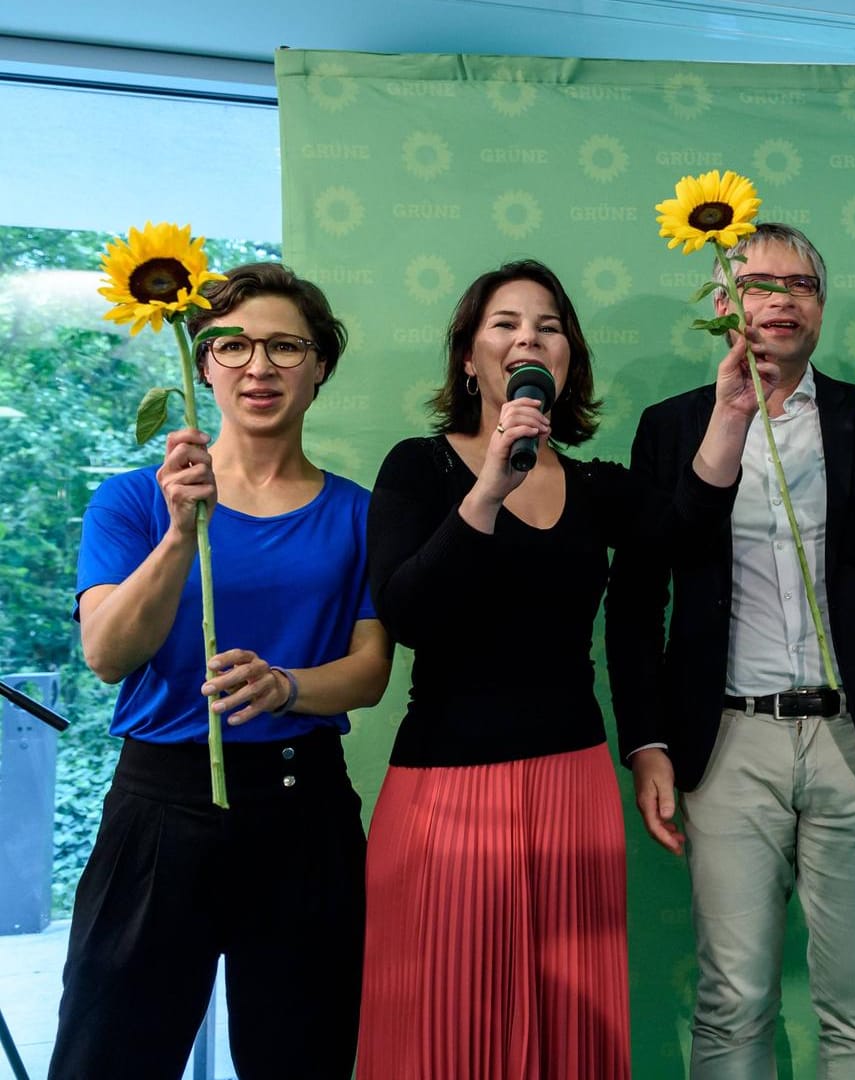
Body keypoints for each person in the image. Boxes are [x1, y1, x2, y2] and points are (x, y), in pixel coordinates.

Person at [609, 222, 855, 1079]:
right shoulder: (670, 427)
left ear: (822, 309)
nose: (781, 300)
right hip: (726, 743)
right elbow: (638, 599)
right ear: (723, 304)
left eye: (801, 286)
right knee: (732, 1002)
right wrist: (646, 740)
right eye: (759, 284)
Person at [52, 263, 391, 1079]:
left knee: (301, 1058)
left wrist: (287, 687)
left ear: (320, 369)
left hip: (302, 809)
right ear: (202, 364)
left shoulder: (360, 513)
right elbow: (107, 655)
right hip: (159, 810)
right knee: (109, 1054)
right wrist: (178, 535)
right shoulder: (135, 501)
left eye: (285, 346)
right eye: (232, 345)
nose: (258, 366)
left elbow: (372, 670)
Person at [356, 260, 639, 1077]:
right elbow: (406, 613)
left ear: (567, 361)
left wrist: (730, 412)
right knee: (446, 1031)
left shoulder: (592, 486)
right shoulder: (418, 468)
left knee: (568, 1033)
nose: (529, 338)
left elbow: (690, 522)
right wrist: (486, 491)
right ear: (470, 358)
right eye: (506, 324)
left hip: (573, 789)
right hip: (447, 793)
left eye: (548, 327)